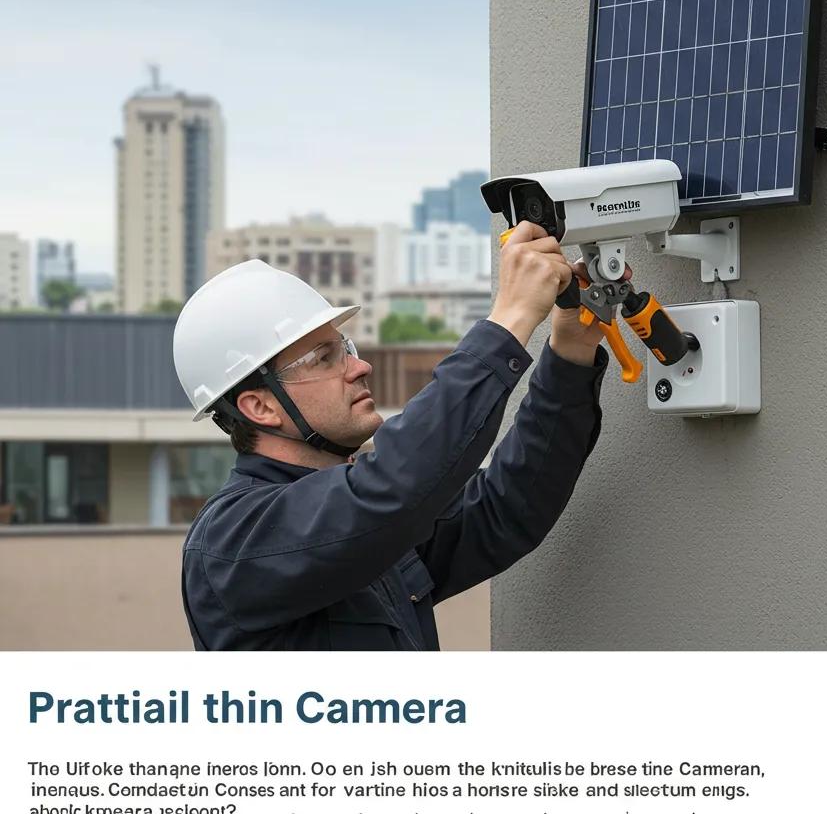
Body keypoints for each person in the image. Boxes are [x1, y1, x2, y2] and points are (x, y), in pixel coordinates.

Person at [173, 221, 610, 650]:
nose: (359, 367)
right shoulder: (233, 540)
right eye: (324, 358)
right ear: (260, 407)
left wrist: (570, 353)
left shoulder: (367, 519)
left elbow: (506, 509)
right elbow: (391, 488)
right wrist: (509, 320)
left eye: (345, 348)